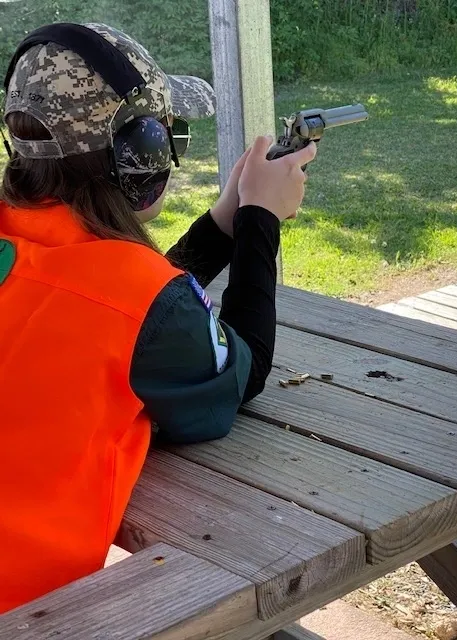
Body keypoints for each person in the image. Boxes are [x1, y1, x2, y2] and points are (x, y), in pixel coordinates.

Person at [0, 22, 316, 613]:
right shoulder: (138, 298)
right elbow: (241, 370)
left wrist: (227, 217)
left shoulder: (44, 258)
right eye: (166, 139)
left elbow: (130, 307)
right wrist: (261, 222)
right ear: (137, 156)